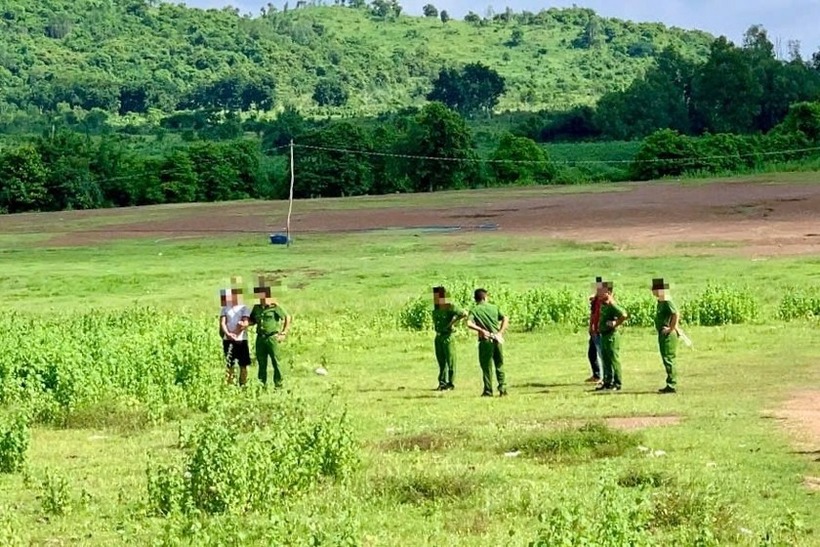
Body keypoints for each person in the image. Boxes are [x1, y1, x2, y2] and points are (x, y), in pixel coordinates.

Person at [248, 277, 291, 388]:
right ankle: (262, 384)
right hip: (260, 338)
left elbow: (287, 317)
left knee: (276, 362)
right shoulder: (257, 308)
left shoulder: (274, 307)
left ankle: (278, 384)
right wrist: (244, 323)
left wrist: (283, 333)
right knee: (261, 363)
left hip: (272, 338)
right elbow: (252, 320)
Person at [467, 288, 509, 397]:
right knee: (499, 364)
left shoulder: (475, 310)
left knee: (486, 366)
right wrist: (500, 332)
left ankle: (488, 390)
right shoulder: (494, 307)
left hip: (485, 341)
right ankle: (502, 388)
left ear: (475, 299)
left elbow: (469, 323)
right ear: (485, 297)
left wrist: (481, 330)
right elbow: (505, 318)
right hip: (497, 339)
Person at [432, 286, 468, 391]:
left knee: (450, 361)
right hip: (438, 336)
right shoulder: (436, 308)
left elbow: (464, 313)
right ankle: (442, 383)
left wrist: (453, 323)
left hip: (448, 336)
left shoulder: (450, 307)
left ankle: (450, 383)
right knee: (441, 362)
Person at [595, 282, 628, 392]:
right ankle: (607, 382)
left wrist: (616, 323)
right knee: (605, 360)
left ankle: (617, 383)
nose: (598, 293)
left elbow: (623, 314)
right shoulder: (603, 303)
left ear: (608, 292)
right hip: (603, 335)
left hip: (611, 336)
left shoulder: (612, 305)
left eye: (601, 291)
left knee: (614, 360)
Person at [652, 278, 679, 394]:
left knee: (668, 358)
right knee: (665, 358)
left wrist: (671, 328)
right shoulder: (661, 301)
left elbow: (675, 313)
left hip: (667, 334)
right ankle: (670, 382)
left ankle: (672, 384)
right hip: (662, 333)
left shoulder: (667, 300)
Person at [221, 286, 251, 386]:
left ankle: (243, 384)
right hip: (228, 339)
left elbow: (245, 322)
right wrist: (228, 334)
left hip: (241, 339)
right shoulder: (225, 308)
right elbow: (222, 322)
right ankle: (230, 384)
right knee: (229, 364)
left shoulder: (244, 308)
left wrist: (236, 333)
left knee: (243, 364)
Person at [586, 276, 604, 384]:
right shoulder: (595, 300)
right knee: (591, 353)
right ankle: (596, 374)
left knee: (601, 354)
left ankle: (603, 376)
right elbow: (593, 315)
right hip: (593, 330)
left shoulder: (603, 300)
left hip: (598, 331)